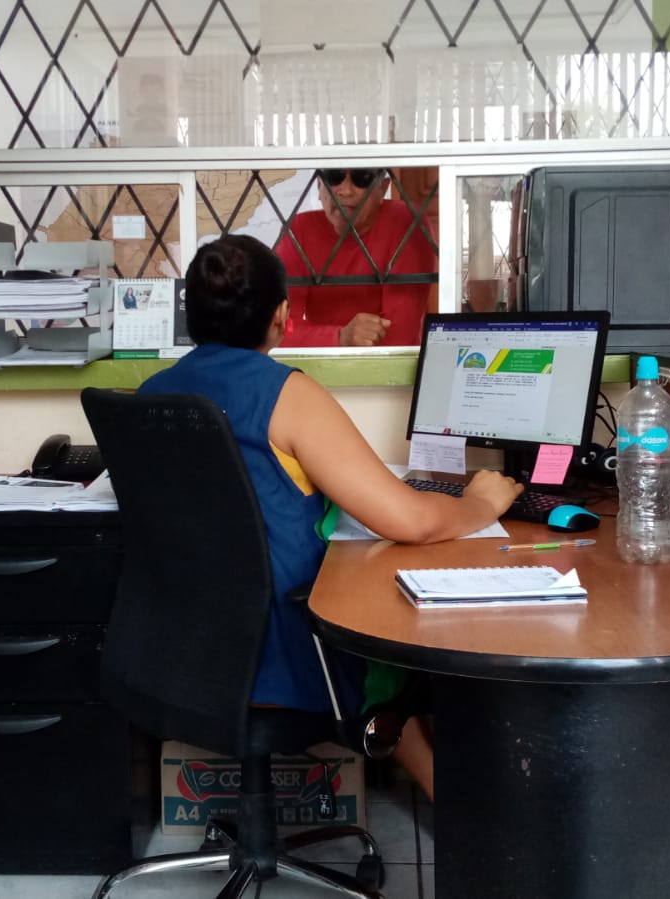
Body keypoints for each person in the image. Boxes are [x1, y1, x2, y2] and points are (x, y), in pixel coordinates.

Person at [140, 234, 522, 799]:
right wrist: (482, 503)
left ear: (190, 314)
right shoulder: (285, 394)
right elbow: (411, 522)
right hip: (287, 652)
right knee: (406, 642)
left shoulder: (151, 394)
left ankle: (455, 798)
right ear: (281, 316)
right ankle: (475, 815)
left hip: (177, 654)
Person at [274, 168, 438, 348]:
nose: (345, 191)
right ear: (319, 186)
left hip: (385, 363)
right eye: (334, 177)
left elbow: (399, 337)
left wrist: (320, 339)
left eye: (362, 178)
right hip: (320, 361)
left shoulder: (406, 224)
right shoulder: (299, 230)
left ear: (383, 188)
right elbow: (277, 330)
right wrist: (340, 337)